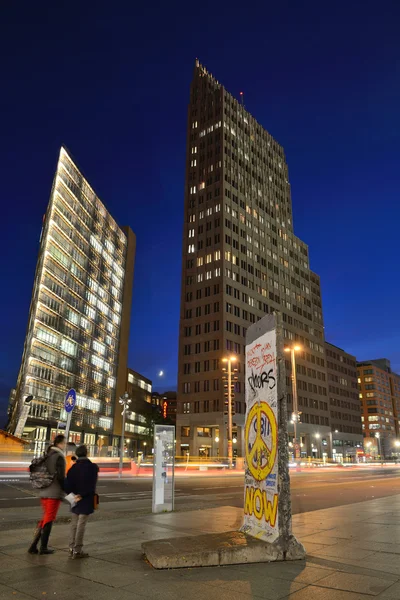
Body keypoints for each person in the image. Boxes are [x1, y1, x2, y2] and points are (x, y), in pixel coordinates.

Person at [28, 434, 67, 555]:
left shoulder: (47, 454)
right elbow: (60, 477)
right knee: (49, 518)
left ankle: (33, 546)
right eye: (64, 443)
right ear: (60, 443)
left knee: (45, 517)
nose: (65, 445)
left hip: (43, 490)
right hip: (53, 492)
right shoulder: (59, 456)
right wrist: (67, 491)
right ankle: (43, 547)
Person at [65, 444, 99, 559]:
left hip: (74, 499)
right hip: (86, 499)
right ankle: (77, 550)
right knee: (81, 524)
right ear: (86, 453)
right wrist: (82, 495)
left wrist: (74, 496)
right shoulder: (92, 467)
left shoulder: (72, 469)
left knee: (74, 523)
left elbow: (67, 485)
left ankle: (71, 547)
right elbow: (92, 485)